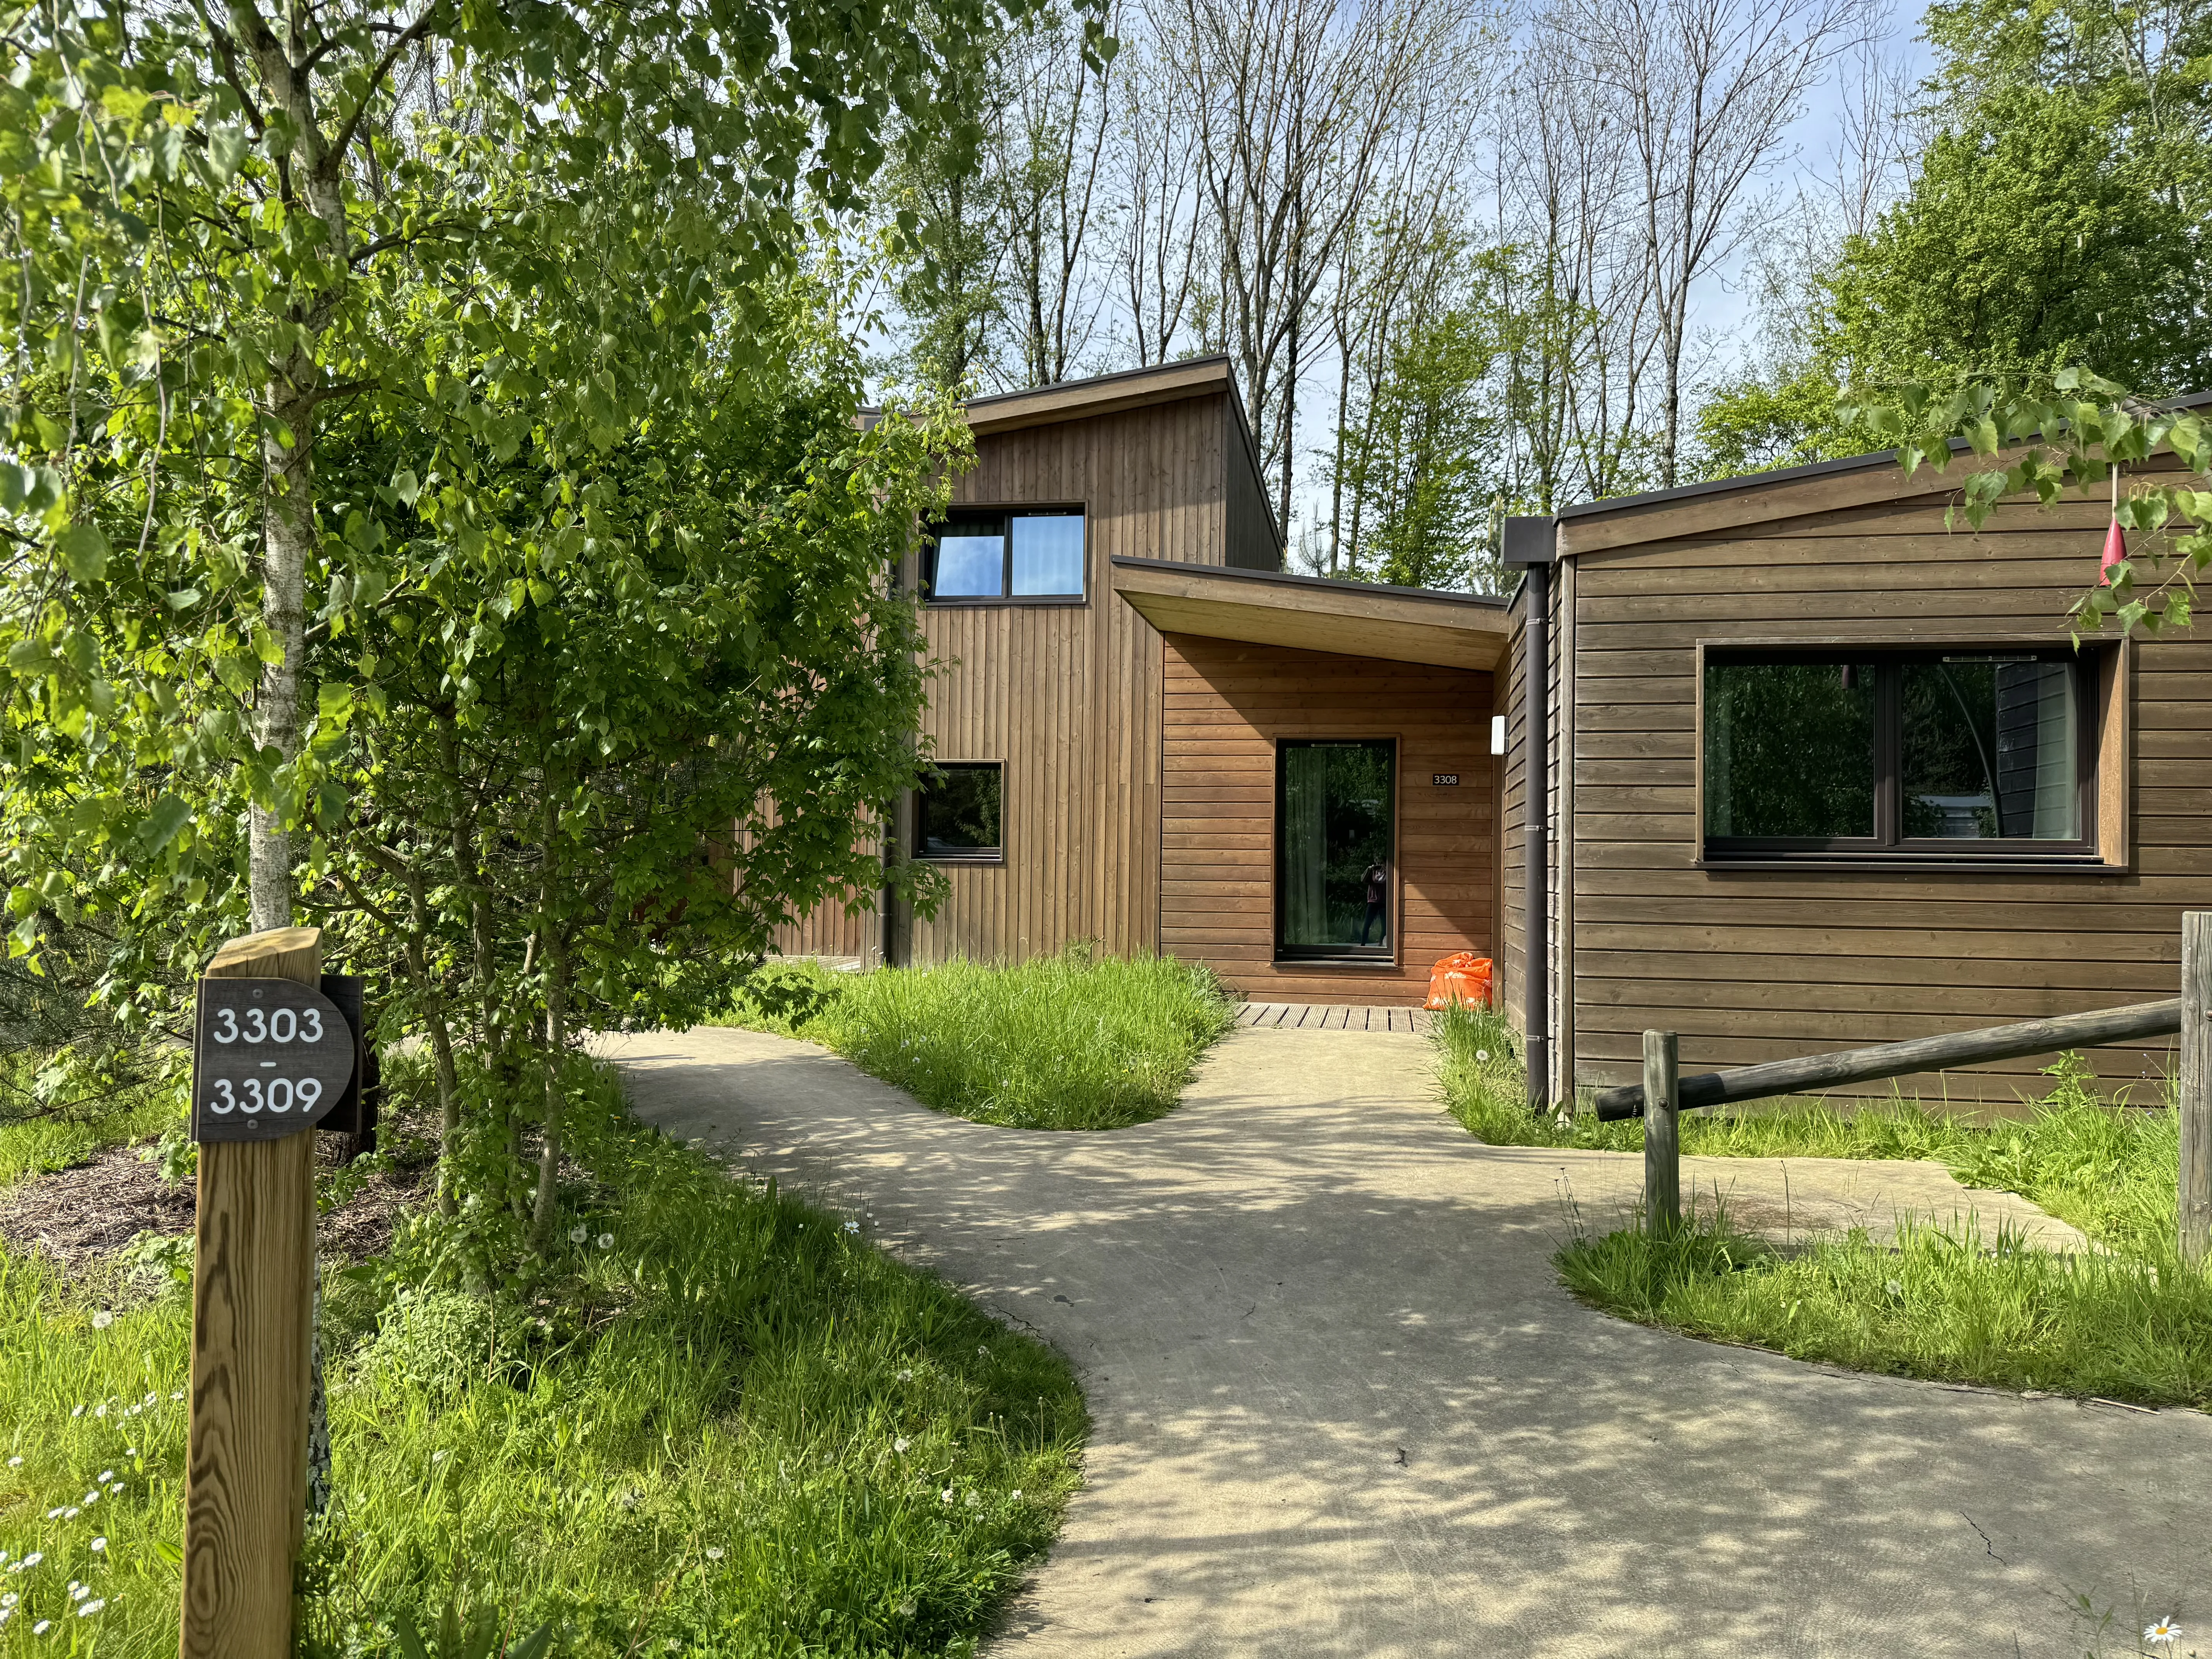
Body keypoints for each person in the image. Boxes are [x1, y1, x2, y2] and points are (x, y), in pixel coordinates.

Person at [1359, 859, 1389, 946]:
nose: (1379, 866)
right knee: (1367, 923)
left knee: (1385, 925)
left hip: (1383, 901)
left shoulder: (1388, 873)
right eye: (1377, 863)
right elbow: (1363, 880)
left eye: (1381, 863)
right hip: (1373, 901)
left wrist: (1387, 870)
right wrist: (1369, 870)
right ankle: (1363, 944)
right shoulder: (1372, 872)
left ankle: (1381, 943)